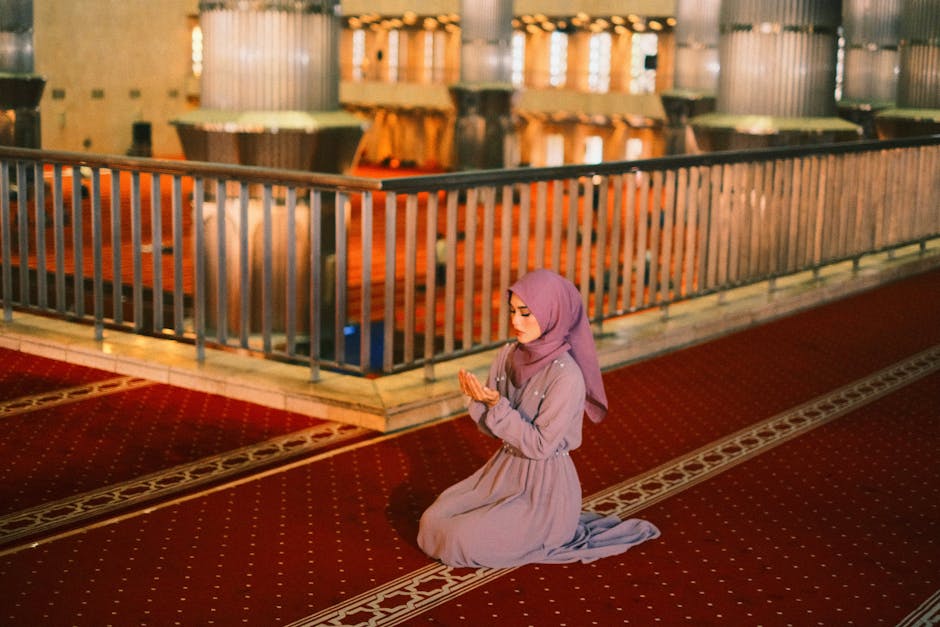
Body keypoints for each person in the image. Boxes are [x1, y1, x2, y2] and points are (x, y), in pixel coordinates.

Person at [417, 268, 660, 568]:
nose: (515, 322)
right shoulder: (508, 355)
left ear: (552, 314)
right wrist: (480, 401)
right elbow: (495, 431)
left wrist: (498, 406)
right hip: (501, 474)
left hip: (544, 494)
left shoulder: (567, 376)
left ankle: (539, 531)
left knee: (458, 539)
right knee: (432, 520)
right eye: (512, 312)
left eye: (526, 313)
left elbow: (541, 446)